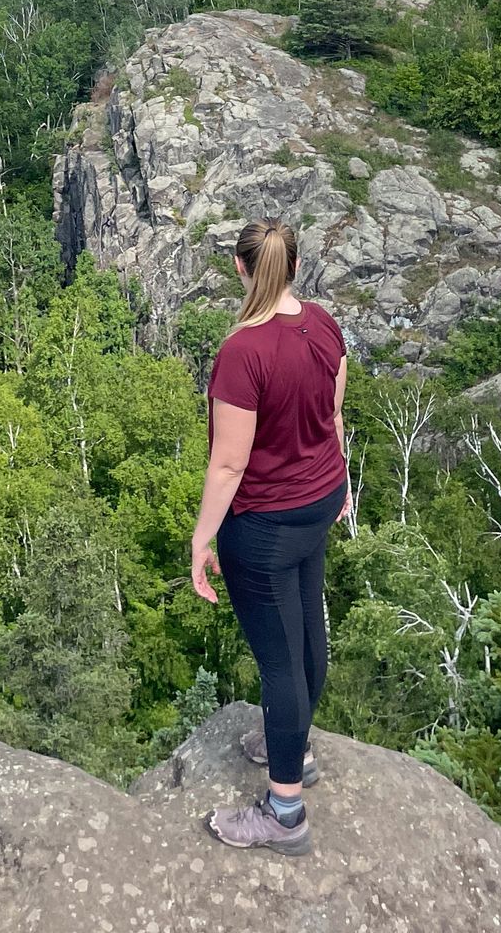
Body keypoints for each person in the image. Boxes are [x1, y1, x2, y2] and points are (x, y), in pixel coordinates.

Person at [190, 217, 348, 858]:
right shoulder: (324, 326)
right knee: (308, 628)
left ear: (241, 268)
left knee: (281, 662)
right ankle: (297, 744)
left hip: (266, 523)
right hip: (320, 498)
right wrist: (340, 491)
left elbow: (229, 465)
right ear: (297, 267)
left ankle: (285, 812)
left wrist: (202, 541)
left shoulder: (243, 353)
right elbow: (332, 417)